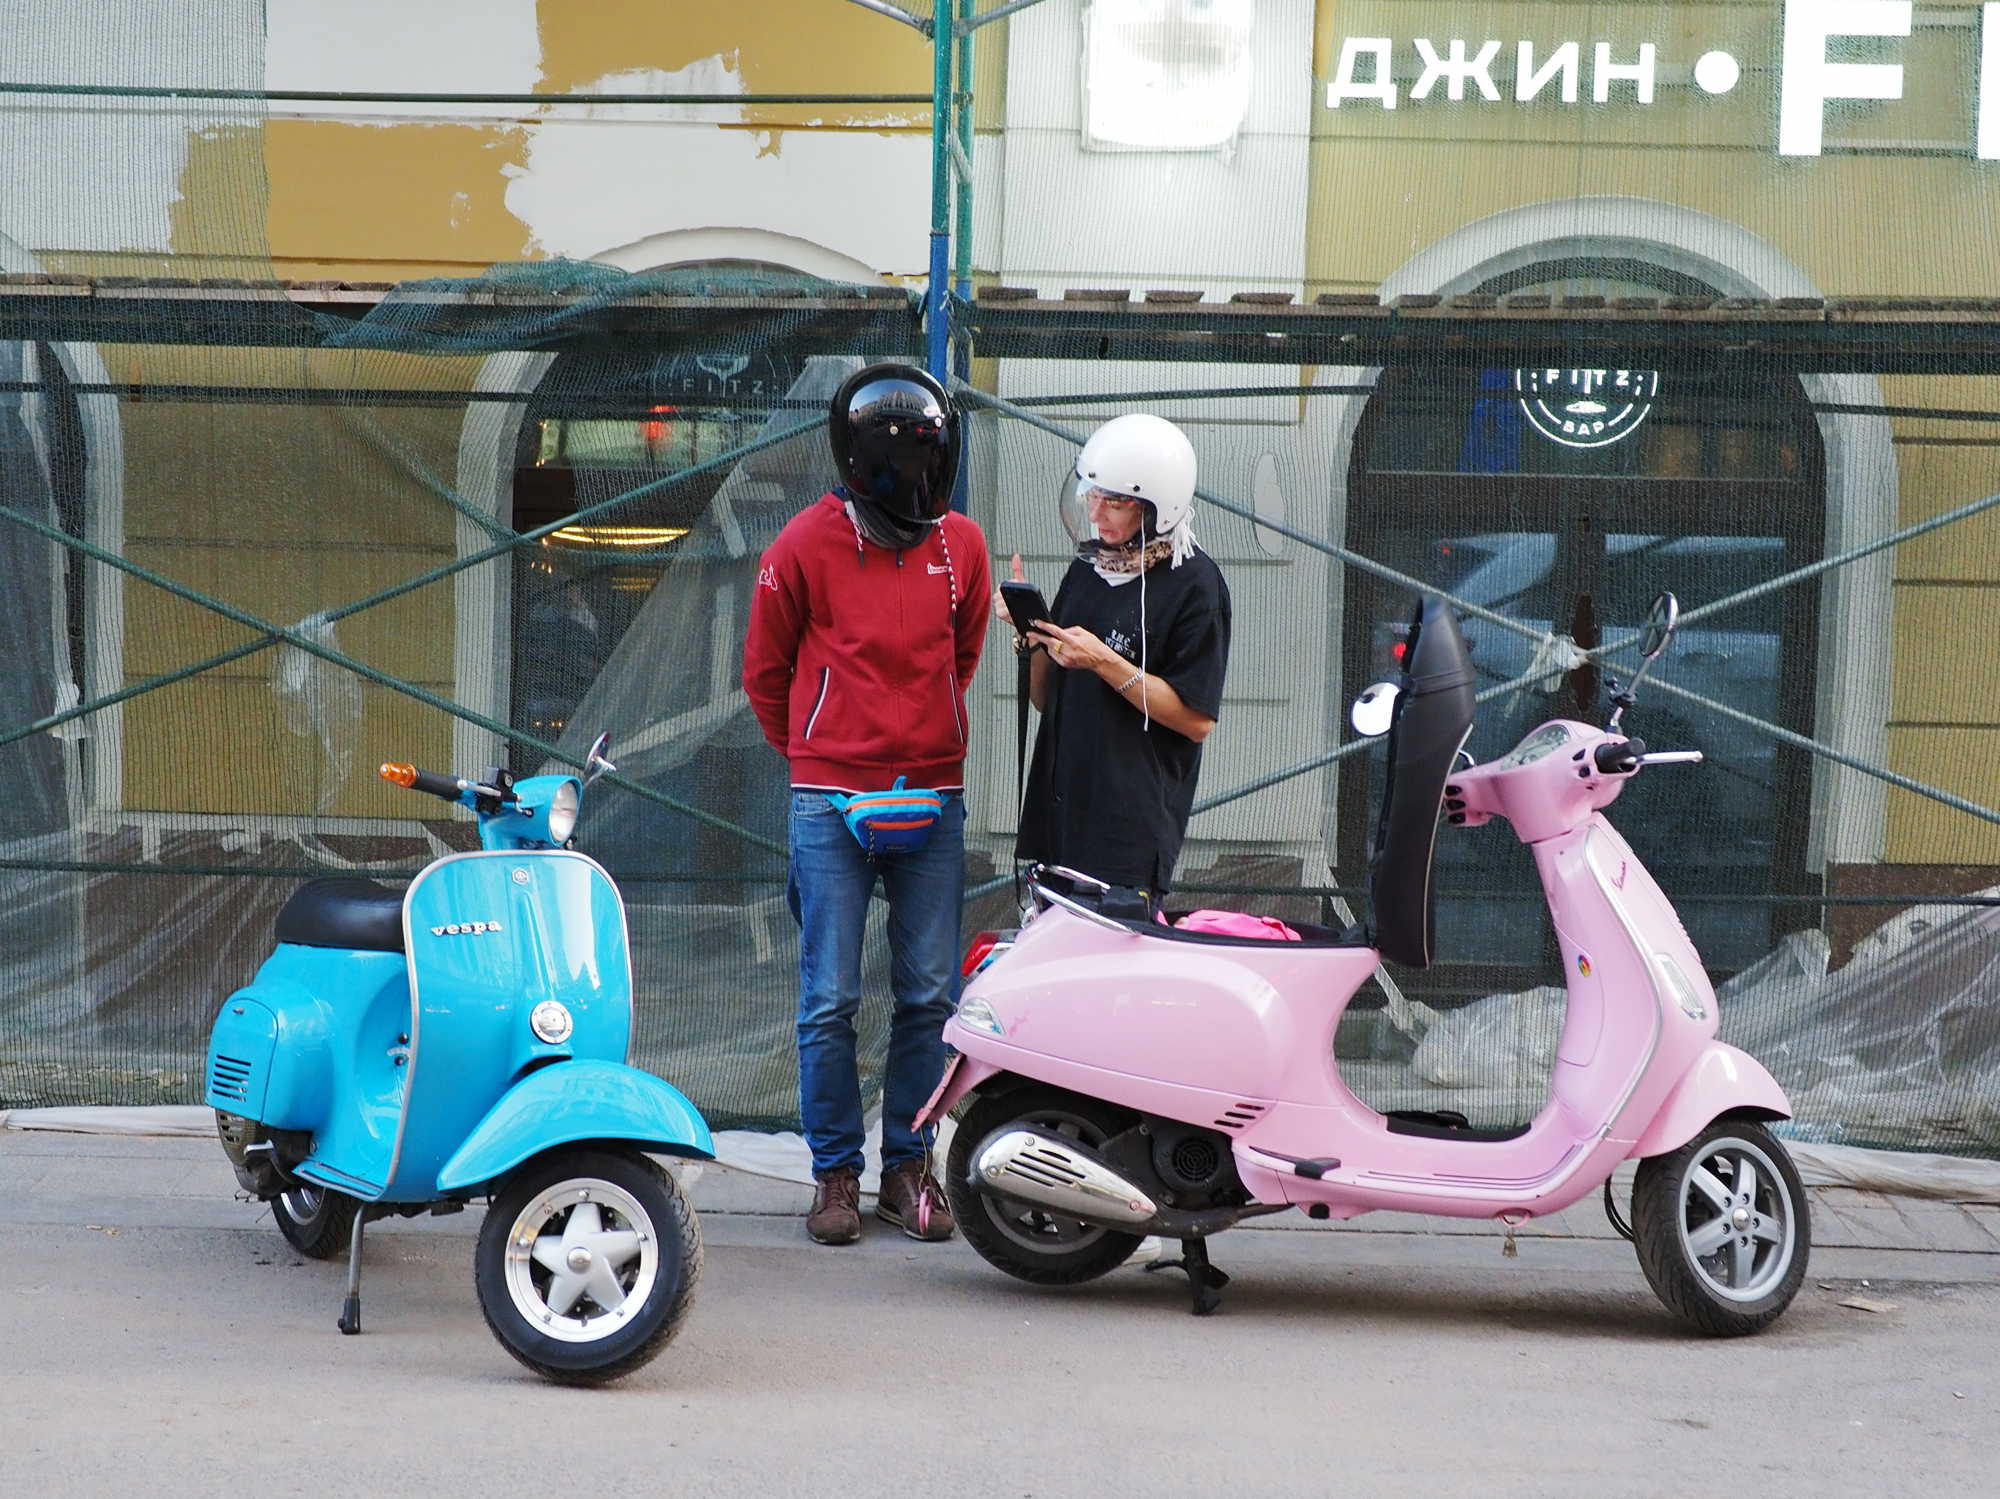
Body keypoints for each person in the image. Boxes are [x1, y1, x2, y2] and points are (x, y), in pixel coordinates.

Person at [742, 362, 992, 1246]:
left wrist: (918, 735)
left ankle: (908, 1167)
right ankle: (835, 1174)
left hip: (933, 791)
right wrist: (823, 751)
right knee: (830, 998)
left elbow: (962, 654)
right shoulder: (800, 547)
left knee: (930, 994)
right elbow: (765, 673)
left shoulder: (963, 546)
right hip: (829, 799)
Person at [1013, 412, 1230, 899]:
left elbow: (1197, 721)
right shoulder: (1088, 569)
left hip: (1126, 832)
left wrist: (1105, 662)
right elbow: (1046, 701)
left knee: (1111, 947)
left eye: (1115, 502)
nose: (1097, 514)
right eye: (1092, 496)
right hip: (1059, 814)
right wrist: (1034, 632)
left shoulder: (1194, 584)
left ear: (1157, 506)